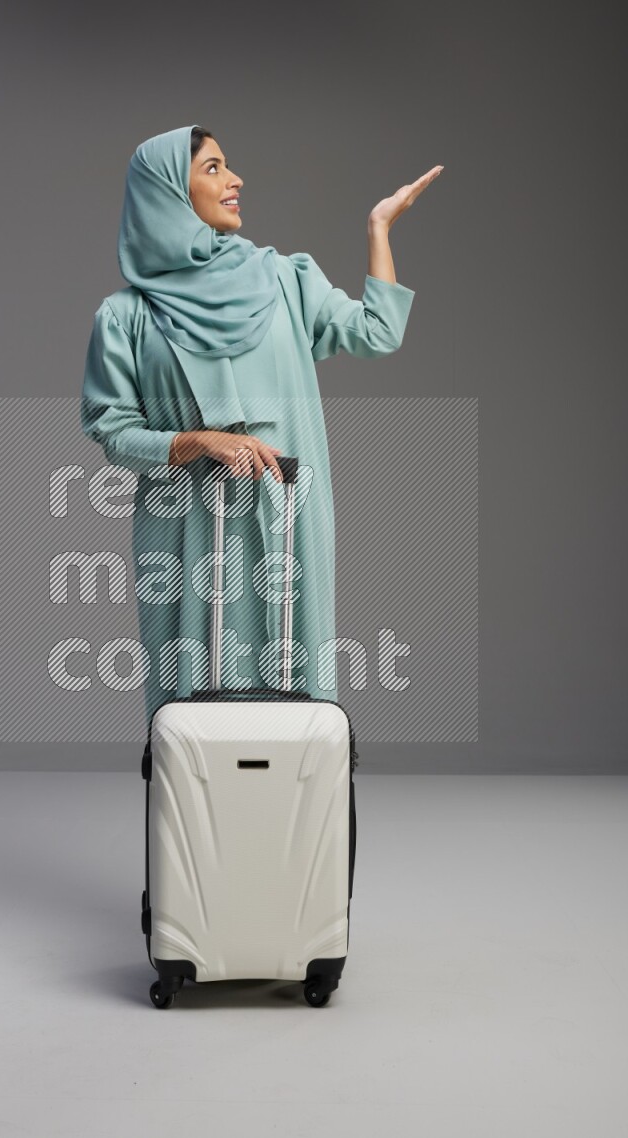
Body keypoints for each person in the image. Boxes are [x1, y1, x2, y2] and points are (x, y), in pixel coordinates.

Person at [80, 124, 441, 725]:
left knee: (297, 686)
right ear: (169, 190)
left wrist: (379, 228)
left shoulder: (284, 280)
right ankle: (199, 819)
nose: (236, 179)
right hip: (185, 530)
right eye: (214, 168)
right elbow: (110, 428)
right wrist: (194, 441)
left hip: (289, 515)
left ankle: (293, 817)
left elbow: (378, 333)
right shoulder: (126, 317)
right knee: (191, 694)